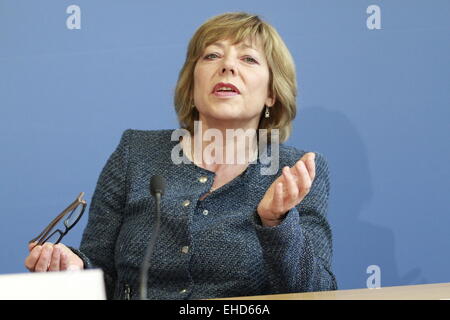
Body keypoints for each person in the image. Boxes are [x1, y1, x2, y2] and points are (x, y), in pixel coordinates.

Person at [24, 12, 337, 299]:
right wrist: (72, 268)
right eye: (212, 55)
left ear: (271, 93)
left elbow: (317, 292)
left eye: (249, 59)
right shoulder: (135, 152)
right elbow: (100, 274)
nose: (227, 66)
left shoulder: (294, 172)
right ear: (191, 86)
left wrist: (277, 224)